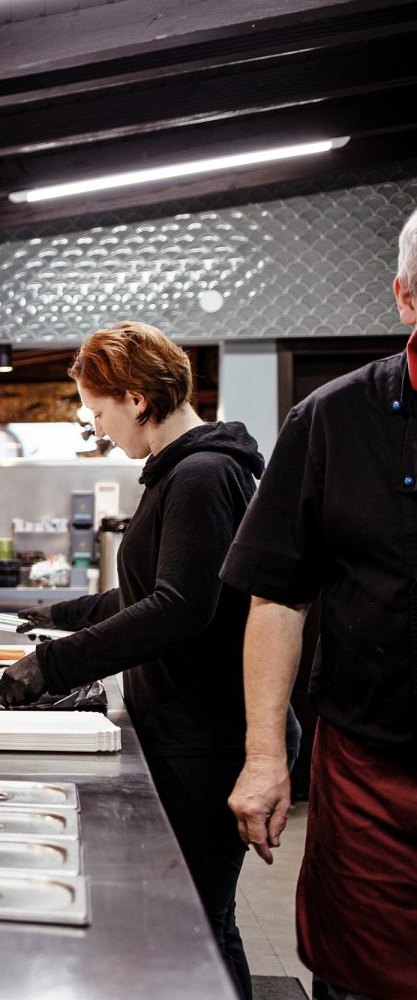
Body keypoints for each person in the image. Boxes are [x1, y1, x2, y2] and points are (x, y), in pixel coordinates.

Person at [0, 321, 295, 1000]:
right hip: (186, 731)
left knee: (196, 930)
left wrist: (52, 667)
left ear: (136, 399)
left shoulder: (202, 474)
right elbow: (149, 590)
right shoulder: (181, 472)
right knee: (199, 922)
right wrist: (57, 615)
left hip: (207, 739)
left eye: (97, 411)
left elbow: (179, 607)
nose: (97, 428)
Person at [222, 208, 417, 1000]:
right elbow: (278, 596)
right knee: (362, 983)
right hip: (375, 774)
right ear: (406, 298)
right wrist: (266, 756)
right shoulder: (333, 418)